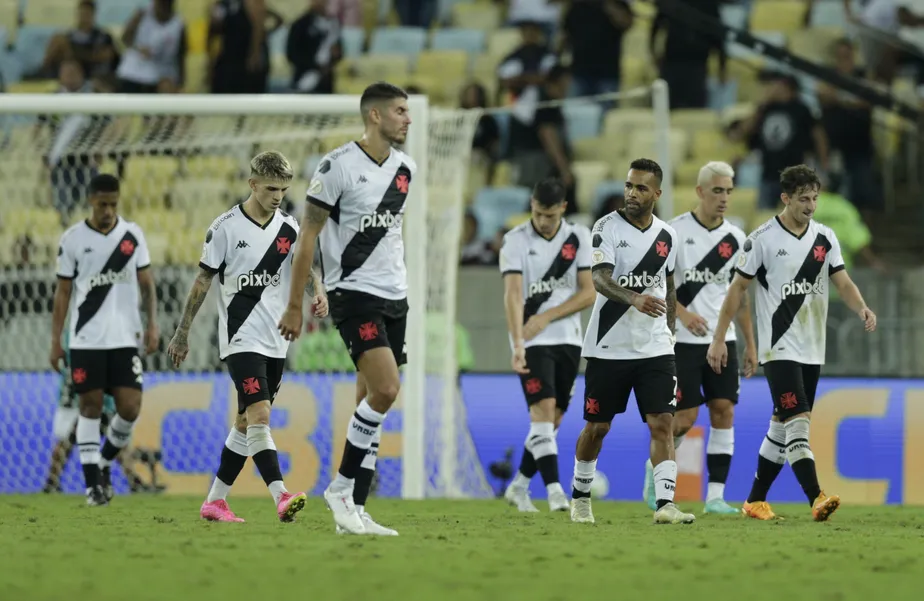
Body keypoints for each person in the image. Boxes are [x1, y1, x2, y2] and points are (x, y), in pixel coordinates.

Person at [279, 81, 416, 536]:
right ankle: (340, 488)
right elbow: (308, 239)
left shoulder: (405, 170)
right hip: (353, 294)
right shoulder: (335, 166)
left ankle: (354, 511)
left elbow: (390, 234)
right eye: (400, 110)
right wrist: (295, 304)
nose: (408, 119)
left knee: (369, 398)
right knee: (386, 389)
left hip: (395, 295)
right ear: (374, 115)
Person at [707, 164, 877, 521]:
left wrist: (861, 307)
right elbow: (737, 289)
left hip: (812, 347)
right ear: (785, 198)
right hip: (778, 346)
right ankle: (816, 497)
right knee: (797, 422)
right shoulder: (762, 239)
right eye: (803, 199)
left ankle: (754, 501)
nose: (810, 205)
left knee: (781, 427)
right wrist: (720, 338)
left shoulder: (825, 238)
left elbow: (843, 282)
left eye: (814, 198)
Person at [166, 151, 325, 523]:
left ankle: (215, 501)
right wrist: (182, 332)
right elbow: (203, 280)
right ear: (252, 184)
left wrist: (319, 291)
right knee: (260, 414)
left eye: (283, 189)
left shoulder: (288, 227)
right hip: (240, 336)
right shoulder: (224, 228)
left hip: (275, 338)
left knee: (243, 423)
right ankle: (281, 496)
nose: (277, 196)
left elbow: (305, 266)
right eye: (270, 188)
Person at [571, 158, 695, 526]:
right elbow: (599, 279)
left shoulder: (667, 236)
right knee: (598, 428)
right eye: (628, 185)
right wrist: (636, 298)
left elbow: (669, 287)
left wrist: (670, 333)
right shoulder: (606, 227)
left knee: (662, 423)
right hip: (608, 345)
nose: (632, 193)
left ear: (657, 193)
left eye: (641, 188)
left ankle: (665, 505)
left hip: (655, 348)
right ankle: (580, 497)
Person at [642, 161, 757, 515]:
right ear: (700, 191)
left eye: (729, 191)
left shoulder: (737, 239)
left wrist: (751, 343)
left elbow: (740, 297)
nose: (724, 198)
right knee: (684, 420)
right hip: (680, 343)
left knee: (724, 412)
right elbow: (656, 284)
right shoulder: (673, 232)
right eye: (717, 190)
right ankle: (654, 473)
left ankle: (716, 498)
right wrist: (686, 315)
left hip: (723, 341)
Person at [50, 174, 159, 506]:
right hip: (85, 340)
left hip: (126, 339)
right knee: (90, 408)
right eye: (103, 204)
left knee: (130, 408)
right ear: (90, 202)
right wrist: (56, 340)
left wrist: (152, 324)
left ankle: (104, 461)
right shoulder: (72, 240)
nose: (109, 210)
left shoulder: (132, 236)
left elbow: (147, 284)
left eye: (113, 204)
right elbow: (63, 292)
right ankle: (92, 486)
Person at [499, 177, 595, 513]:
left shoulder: (579, 237)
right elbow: (512, 295)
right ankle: (555, 491)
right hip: (532, 342)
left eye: (550, 216)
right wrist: (518, 342)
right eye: (538, 214)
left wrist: (549, 316)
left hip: (569, 340)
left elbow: (589, 292)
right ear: (532, 206)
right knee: (541, 414)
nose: (543, 221)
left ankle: (519, 487)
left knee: (550, 422)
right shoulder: (514, 241)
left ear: (563, 209)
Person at [44, 321, 118, 494]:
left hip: (96, 386)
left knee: (114, 432)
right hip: (75, 385)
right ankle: (52, 481)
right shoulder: (80, 323)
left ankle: (133, 479)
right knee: (66, 437)